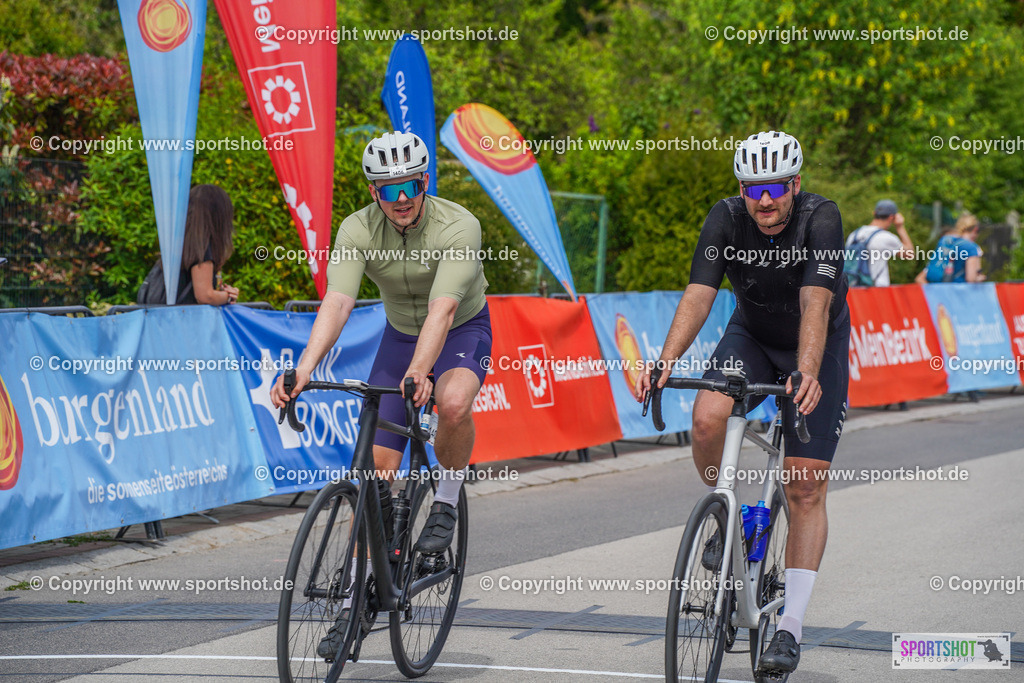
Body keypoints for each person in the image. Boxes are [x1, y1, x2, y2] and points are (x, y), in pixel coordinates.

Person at [635, 131, 850, 677]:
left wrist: (805, 370)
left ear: (795, 184)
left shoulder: (820, 218)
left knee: (803, 483)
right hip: (750, 336)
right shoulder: (726, 218)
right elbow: (700, 295)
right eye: (754, 188)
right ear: (741, 189)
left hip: (812, 341)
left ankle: (789, 628)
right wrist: (664, 360)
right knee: (706, 416)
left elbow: (816, 301)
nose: (765, 200)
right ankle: (728, 517)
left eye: (776, 187)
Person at [270, 132, 491, 654]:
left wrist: (421, 371)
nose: (401, 200)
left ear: (425, 181)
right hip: (398, 335)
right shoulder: (356, 228)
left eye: (410, 185)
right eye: (388, 190)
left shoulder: (459, 224)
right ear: (373, 192)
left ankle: (445, 502)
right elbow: (339, 302)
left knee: (454, 403)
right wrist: (302, 369)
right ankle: (354, 604)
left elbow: (441, 310)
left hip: (460, 328)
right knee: (372, 472)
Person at [138, 184, 240, 305]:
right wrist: (228, 296)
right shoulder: (200, 248)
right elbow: (205, 296)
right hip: (184, 320)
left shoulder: (179, 243)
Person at [844, 199, 915, 286]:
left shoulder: (854, 234)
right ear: (891, 217)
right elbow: (910, 254)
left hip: (853, 289)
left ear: (874, 213)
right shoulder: (886, 237)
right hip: (877, 289)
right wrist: (900, 227)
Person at [915, 212, 985, 284]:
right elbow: (970, 278)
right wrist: (979, 279)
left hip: (937, 289)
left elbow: (922, 276)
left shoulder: (945, 241)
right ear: (975, 229)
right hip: (957, 291)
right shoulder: (972, 247)